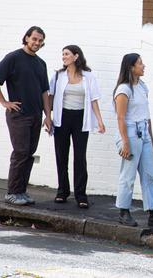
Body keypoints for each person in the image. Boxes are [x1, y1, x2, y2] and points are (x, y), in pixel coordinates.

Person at [114, 53, 153, 228]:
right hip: (130, 134)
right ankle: (123, 211)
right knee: (128, 174)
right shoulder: (124, 90)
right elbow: (121, 118)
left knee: (149, 175)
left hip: (143, 133)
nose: (143, 66)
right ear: (131, 67)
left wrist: (151, 138)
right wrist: (125, 142)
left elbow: (146, 116)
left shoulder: (142, 86)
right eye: (140, 63)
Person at [0, 26, 52, 206]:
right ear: (27, 38)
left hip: (36, 115)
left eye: (40, 40)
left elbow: (45, 91)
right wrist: (5, 102)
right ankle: (12, 193)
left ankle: (22, 191)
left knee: (29, 153)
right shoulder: (13, 58)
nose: (36, 43)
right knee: (20, 152)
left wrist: (48, 115)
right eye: (34, 39)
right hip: (19, 115)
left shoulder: (40, 63)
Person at [49, 45, 105, 208]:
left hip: (81, 118)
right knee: (61, 155)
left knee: (80, 157)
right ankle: (62, 191)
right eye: (62, 54)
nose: (63, 57)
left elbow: (94, 99)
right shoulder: (58, 75)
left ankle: (81, 195)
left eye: (66, 54)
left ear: (76, 56)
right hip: (62, 118)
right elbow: (50, 96)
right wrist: (48, 117)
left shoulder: (88, 76)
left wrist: (100, 121)